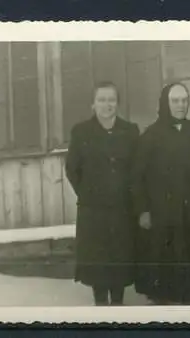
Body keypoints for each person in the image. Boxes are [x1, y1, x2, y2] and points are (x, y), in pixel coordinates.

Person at [132, 82, 190, 305]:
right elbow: (137, 177)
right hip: (163, 212)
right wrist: (143, 210)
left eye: (184, 100)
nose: (181, 105)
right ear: (165, 103)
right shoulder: (150, 135)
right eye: (175, 101)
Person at [65, 81, 139, 306]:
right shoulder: (81, 132)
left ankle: (118, 305)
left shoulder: (130, 131)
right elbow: (72, 168)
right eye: (102, 99)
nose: (107, 105)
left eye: (111, 100)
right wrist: (88, 194)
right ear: (93, 104)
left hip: (122, 209)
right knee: (98, 261)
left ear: (118, 104)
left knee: (119, 259)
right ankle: (100, 305)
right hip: (94, 210)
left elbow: (137, 169)